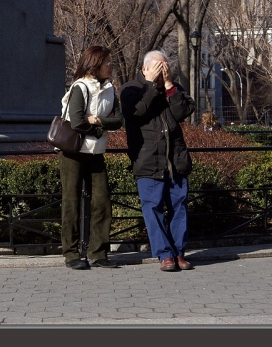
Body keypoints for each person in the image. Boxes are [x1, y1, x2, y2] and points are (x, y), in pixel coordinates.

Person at [120, 50, 195, 271]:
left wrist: (170, 84)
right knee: (152, 207)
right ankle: (164, 254)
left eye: (165, 66)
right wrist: (151, 86)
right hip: (147, 159)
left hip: (175, 159)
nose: (162, 70)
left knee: (179, 206)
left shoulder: (172, 89)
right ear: (144, 69)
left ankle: (179, 252)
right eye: (157, 66)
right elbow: (135, 114)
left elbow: (184, 111)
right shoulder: (131, 89)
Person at [58, 46, 122, 270]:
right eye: (107, 62)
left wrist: (96, 120)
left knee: (102, 202)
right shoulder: (81, 87)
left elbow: (119, 120)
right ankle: (71, 253)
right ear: (95, 64)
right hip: (73, 153)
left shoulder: (110, 90)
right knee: (71, 203)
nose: (111, 66)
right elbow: (76, 122)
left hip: (96, 153)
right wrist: (99, 128)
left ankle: (98, 252)